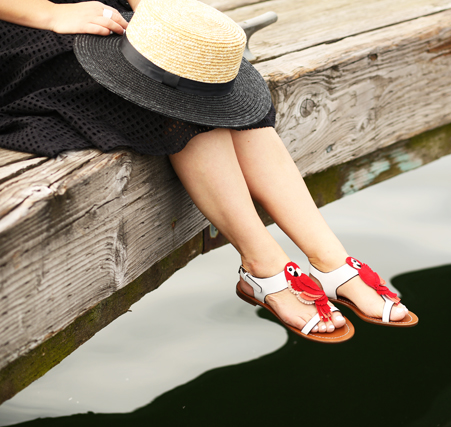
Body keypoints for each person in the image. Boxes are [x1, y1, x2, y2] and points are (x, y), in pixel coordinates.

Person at [0, 0, 417, 343]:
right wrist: (49, 14)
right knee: (176, 101)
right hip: (24, 24)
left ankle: (330, 259)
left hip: (96, 10)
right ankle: (264, 265)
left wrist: (159, 17)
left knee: (206, 79)